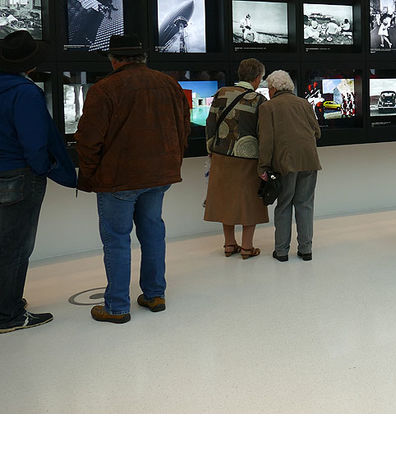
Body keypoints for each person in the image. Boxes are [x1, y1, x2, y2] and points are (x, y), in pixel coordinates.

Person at [75, 34, 190, 324]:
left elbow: (89, 140)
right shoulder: (170, 85)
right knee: (153, 233)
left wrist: (88, 176)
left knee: (116, 240)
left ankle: (116, 306)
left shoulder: (104, 89)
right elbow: (183, 129)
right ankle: (154, 294)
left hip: (119, 179)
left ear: (114, 60)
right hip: (159, 175)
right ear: (143, 58)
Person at [0, 31, 77, 333]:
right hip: (19, 176)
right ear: (30, 65)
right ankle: (9, 314)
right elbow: (34, 144)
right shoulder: (26, 92)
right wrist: (45, 168)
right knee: (16, 247)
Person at [204, 58, 268, 260]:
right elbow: (263, 132)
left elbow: (210, 123)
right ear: (257, 78)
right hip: (248, 158)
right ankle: (247, 247)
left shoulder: (221, 94)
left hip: (221, 155)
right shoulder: (258, 100)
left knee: (225, 199)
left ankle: (229, 245)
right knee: (249, 201)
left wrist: (212, 149)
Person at [258, 70, 322, 262]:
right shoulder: (304, 103)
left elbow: (266, 141)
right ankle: (306, 250)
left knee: (284, 205)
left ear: (274, 88)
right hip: (309, 160)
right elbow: (316, 132)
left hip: (284, 163)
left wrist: (262, 167)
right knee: (305, 204)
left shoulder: (268, 107)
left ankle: (282, 251)